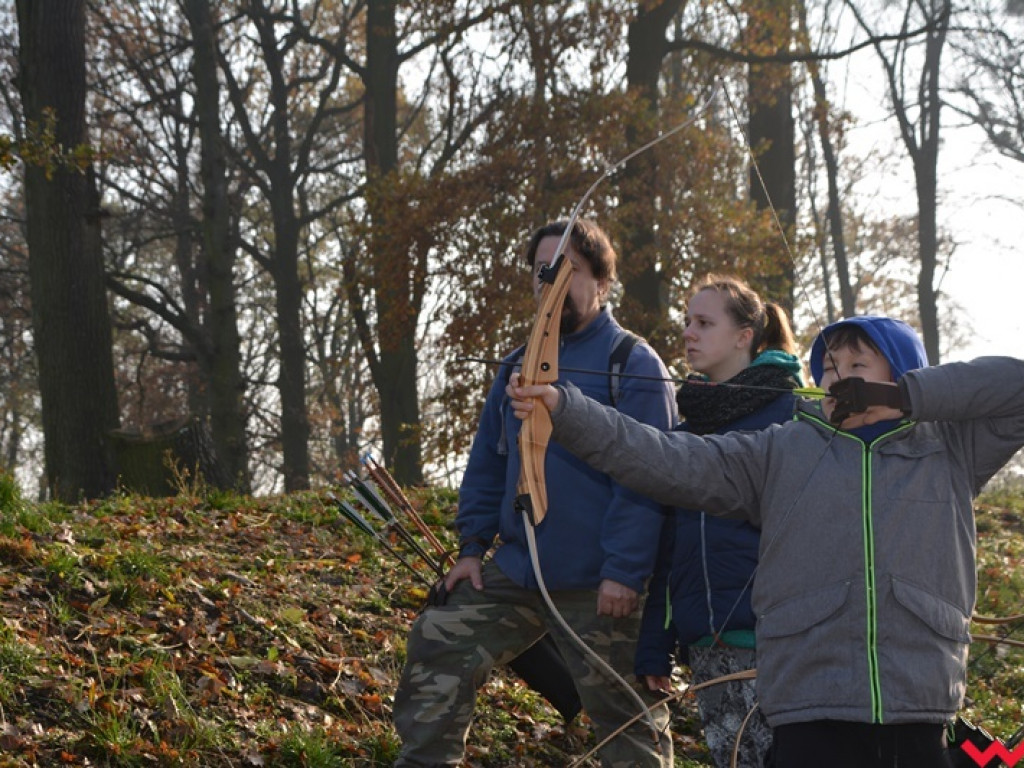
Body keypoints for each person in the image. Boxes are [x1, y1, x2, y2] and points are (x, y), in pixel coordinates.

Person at [508, 314, 1024, 768]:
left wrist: (907, 397)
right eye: (829, 367)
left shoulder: (951, 450)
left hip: (921, 707)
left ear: (902, 371)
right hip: (809, 709)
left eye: (858, 365)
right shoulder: (782, 450)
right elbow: (667, 460)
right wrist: (565, 409)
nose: (837, 377)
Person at [392, 218, 677, 768]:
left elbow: (649, 479)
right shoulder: (515, 363)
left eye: (568, 270)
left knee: (627, 721)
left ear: (602, 281)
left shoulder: (633, 365)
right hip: (520, 571)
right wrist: (471, 549)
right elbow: (487, 463)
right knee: (439, 639)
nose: (551, 284)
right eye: (541, 273)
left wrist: (623, 570)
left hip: (599, 583)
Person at [636, 275, 801, 768]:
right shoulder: (687, 432)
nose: (689, 332)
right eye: (687, 321)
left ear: (743, 336)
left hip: (779, 644)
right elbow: (670, 549)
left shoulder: (793, 416)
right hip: (707, 644)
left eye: (704, 323)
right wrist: (654, 645)